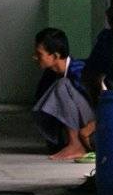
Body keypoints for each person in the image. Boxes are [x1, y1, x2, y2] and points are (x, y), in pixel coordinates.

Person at [31, 27, 95, 161]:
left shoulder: (81, 71)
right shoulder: (48, 77)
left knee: (62, 85)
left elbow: (105, 104)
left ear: (55, 56)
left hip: (93, 130)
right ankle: (70, 143)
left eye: (39, 54)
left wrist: (90, 128)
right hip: (77, 131)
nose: (35, 57)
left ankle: (75, 145)